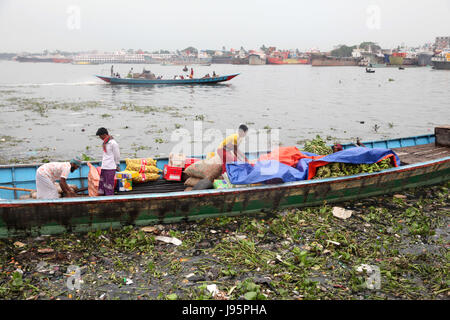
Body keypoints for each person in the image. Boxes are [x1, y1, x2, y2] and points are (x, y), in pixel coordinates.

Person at [96, 127, 120, 196]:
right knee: (102, 184)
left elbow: (117, 155)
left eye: (100, 136)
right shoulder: (105, 143)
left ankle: (109, 198)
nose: (100, 137)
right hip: (104, 166)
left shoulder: (113, 143)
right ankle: (102, 198)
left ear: (104, 134)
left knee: (109, 185)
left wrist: (117, 164)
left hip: (111, 167)